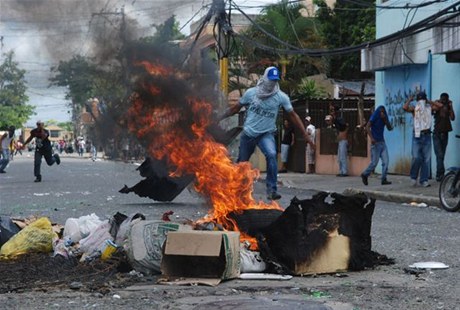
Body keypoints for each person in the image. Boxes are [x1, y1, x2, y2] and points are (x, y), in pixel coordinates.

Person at [222, 66, 314, 200]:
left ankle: (271, 189)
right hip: (248, 134)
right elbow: (235, 108)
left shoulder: (281, 97)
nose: (272, 83)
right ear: (265, 78)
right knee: (242, 163)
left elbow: (293, 115)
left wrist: (305, 135)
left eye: (275, 81)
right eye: (270, 80)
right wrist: (219, 117)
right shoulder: (251, 93)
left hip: (266, 134)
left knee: (271, 155)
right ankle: (237, 190)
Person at [403, 91, 435, 187]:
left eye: (423, 99)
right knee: (416, 157)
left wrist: (428, 101)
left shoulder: (429, 108)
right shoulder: (414, 109)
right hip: (417, 135)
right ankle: (413, 177)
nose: (421, 101)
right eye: (420, 99)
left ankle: (424, 180)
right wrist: (410, 99)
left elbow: (439, 106)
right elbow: (404, 108)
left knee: (426, 159)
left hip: (427, 135)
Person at [361, 106, 393, 186]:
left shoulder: (384, 117)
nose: (382, 113)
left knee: (386, 162)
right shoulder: (374, 116)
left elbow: (389, 128)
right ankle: (365, 174)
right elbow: (367, 127)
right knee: (374, 163)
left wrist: (384, 119)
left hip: (382, 142)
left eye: (383, 111)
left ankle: (384, 179)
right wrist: (371, 138)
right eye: (381, 112)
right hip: (375, 143)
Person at [431, 93, 455, 181]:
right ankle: (440, 174)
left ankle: (439, 175)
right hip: (436, 134)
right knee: (439, 155)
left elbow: (452, 118)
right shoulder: (437, 106)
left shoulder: (448, 107)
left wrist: (451, 107)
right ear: (440, 99)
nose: (444, 101)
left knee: (441, 155)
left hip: (445, 134)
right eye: (443, 99)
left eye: (446, 99)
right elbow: (434, 109)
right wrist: (437, 103)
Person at [330, 104, 349, 177]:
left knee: (342, 156)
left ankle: (344, 172)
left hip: (343, 139)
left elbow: (346, 126)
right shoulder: (335, 120)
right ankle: (341, 171)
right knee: (339, 156)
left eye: (332, 110)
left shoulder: (340, 119)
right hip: (340, 139)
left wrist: (343, 134)